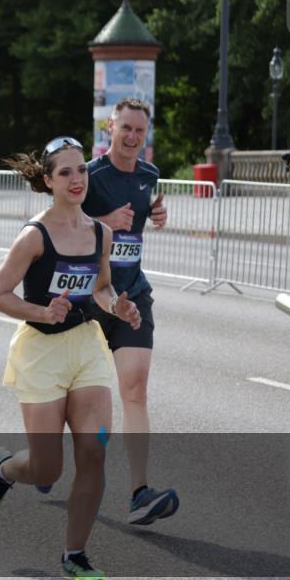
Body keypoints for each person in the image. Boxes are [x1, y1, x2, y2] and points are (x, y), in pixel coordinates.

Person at [0, 136, 140, 580]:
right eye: (65, 172)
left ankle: (75, 555)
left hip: (86, 346)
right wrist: (41, 312)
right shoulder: (34, 235)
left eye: (81, 170)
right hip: (41, 351)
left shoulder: (101, 233)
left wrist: (117, 306)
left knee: (94, 452)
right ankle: (6, 469)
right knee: (47, 469)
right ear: (48, 181)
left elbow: (101, 287)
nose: (76, 179)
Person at [80, 98, 178, 526]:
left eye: (140, 130)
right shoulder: (87, 175)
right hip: (87, 298)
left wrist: (154, 213)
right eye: (127, 128)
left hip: (132, 294)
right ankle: (40, 461)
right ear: (111, 127)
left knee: (135, 390)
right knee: (79, 400)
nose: (134, 137)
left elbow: (135, 224)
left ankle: (140, 493)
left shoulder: (148, 175)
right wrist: (104, 220)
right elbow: (62, 227)